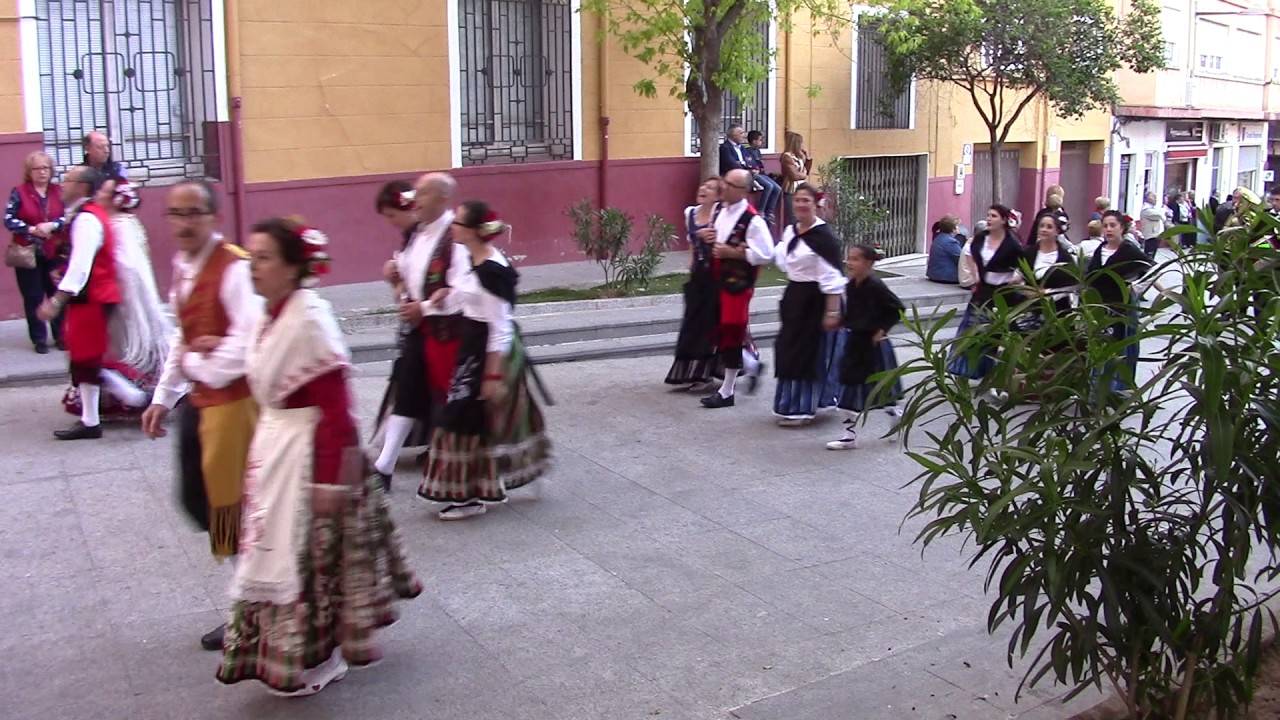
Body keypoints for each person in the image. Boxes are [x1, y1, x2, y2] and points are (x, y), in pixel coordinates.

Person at [216, 218, 421, 696]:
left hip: (308, 456)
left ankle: (319, 656)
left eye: (264, 257)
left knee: (310, 561)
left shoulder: (308, 318)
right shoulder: (271, 312)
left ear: (292, 266)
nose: (254, 266)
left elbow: (335, 408)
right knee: (278, 553)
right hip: (276, 447)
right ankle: (286, 650)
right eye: (253, 255)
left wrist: (330, 481)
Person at [143, 180, 262, 651]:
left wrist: (198, 364)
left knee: (230, 507)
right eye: (176, 213)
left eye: (195, 213)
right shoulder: (183, 267)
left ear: (213, 217)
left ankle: (248, 611)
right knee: (202, 502)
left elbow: (250, 341)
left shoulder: (233, 269)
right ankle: (249, 601)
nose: (185, 222)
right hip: (203, 400)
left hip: (235, 403)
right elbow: (184, 333)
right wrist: (163, 395)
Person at [417, 201, 551, 520]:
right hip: (471, 343)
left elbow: (500, 328)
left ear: (474, 231)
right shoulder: (469, 256)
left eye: (459, 224)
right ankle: (482, 486)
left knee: (461, 417)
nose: (453, 228)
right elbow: (465, 291)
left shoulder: (492, 272)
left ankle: (467, 496)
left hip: (487, 349)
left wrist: (491, 375)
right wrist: (445, 295)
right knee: (474, 419)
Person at [371, 172, 469, 492]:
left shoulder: (456, 238)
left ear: (443, 199)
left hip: (450, 333)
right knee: (408, 392)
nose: (416, 198)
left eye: (423, 193)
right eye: (415, 193)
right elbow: (410, 282)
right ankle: (384, 466)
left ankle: (463, 472)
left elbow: (463, 292)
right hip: (420, 329)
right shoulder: (417, 235)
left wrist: (423, 308)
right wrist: (398, 286)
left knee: (449, 399)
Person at [36, 166, 146, 439]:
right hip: (92, 295)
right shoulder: (84, 216)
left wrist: (57, 300)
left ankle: (134, 397)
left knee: (86, 358)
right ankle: (91, 420)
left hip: (94, 296)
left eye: (68, 180)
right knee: (83, 357)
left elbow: (81, 266)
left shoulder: (87, 219)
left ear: (83, 187)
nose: (61, 184)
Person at [58, 178, 172, 423]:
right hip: (112, 295)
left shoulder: (117, 225)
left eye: (105, 193)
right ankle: (110, 404)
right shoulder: (108, 220)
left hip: (115, 298)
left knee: (98, 353)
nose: (99, 195)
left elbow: (128, 268)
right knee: (93, 353)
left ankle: (131, 396)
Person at [697, 168, 774, 408]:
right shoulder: (720, 210)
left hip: (737, 283)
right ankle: (751, 364)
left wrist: (733, 252)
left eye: (729, 184)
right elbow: (718, 236)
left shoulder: (754, 221)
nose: (723, 186)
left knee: (730, 331)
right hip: (716, 277)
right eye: (724, 181)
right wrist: (708, 236)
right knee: (713, 328)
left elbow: (766, 254)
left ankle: (727, 391)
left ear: (743, 191)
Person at [771, 185, 845, 426]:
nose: (801, 205)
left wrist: (832, 312)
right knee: (787, 349)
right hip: (795, 297)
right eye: (798, 200)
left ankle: (803, 408)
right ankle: (790, 404)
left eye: (806, 200)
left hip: (817, 299)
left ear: (816, 204)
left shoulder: (824, 238)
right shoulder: (791, 231)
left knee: (808, 353)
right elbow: (784, 262)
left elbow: (832, 277)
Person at [369, 180, 432, 460]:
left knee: (424, 388)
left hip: (437, 326)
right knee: (412, 386)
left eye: (392, 215)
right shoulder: (411, 237)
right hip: (416, 325)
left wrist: (418, 302)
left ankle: (387, 460)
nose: (391, 222)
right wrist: (394, 279)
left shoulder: (434, 236)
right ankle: (387, 458)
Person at [826, 244, 904, 450]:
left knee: (881, 389)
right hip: (854, 342)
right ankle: (849, 435)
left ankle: (896, 415)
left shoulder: (875, 285)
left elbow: (897, 309)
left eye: (855, 259)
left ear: (868, 263)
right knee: (847, 387)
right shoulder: (851, 286)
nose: (850, 263)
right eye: (849, 258)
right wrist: (839, 322)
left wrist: (881, 331)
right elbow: (853, 313)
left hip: (873, 344)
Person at [945, 204, 1024, 382]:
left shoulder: (1012, 243)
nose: (989, 219)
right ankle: (966, 369)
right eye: (988, 215)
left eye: (994, 216)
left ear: (1004, 220)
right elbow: (970, 254)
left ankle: (993, 373)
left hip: (1004, 294)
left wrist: (1014, 279)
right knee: (972, 330)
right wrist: (976, 274)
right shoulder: (981, 239)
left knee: (995, 334)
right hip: (982, 293)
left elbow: (1023, 264)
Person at [666, 177, 726, 388]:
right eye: (703, 186)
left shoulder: (722, 215)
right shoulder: (690, 213)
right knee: (694, 322)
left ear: (718, 196)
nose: (703, 189)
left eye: (710, 188)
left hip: (719, 275)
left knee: (715, 324)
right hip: (700, 274)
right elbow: (691, 242)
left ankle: (724, 370)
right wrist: (691, 262)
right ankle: (696, 372)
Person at [6, 151, 68, 353]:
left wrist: (52, 225)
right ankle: (39, 339)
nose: (42, 172)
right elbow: (9, 219)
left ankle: (61, 335)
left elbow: (68, 215)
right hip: (28, 251)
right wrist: (31, 229)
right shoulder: (19, 191)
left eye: (46, 168)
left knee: (56, 293)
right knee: (32, 296)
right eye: (37, 168)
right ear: (29, 171)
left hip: (54, 251)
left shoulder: (59, 191)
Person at [1085, 211, 1154, 393]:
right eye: (1105, 225)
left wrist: (1135, 287)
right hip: (1099, 306)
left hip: (1120, 307)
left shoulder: (1129, 250)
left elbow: (1152, 269)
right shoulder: (1100, 250)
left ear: (1122, 228)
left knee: (1116, 348)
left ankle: (1115, 390)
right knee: (1098, 346)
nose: (1108, 229)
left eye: (1112, 225)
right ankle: (1096, 388)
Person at [744, 129, 782, 223]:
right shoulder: (747, 151)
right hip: (753, 174)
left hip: (761, 173)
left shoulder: (757, 151)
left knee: (777, 188)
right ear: (753, 141)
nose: (761, 142)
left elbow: (760, 164)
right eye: (759, 140)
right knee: (768, 186)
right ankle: (761, 210)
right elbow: (749, 164)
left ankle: (770, 212)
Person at [779, 131, 811, 225]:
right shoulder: (787, 156)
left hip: (800, 188)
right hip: (791, 189)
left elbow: (807, 170)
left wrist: (807, 156)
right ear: (796, 143)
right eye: (801, 142)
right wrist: (803, 175)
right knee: (792, 218)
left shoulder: (799, 156)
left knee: (800, 217)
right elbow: (794, 176)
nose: (802, 145)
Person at [926, 215, 963, 284]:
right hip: (946, 277)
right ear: (953, 229)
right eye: (957, 226)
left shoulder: (938, 238)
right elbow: (961, 260)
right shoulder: (951, 242)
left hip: (934, 274)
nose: (959, 228)